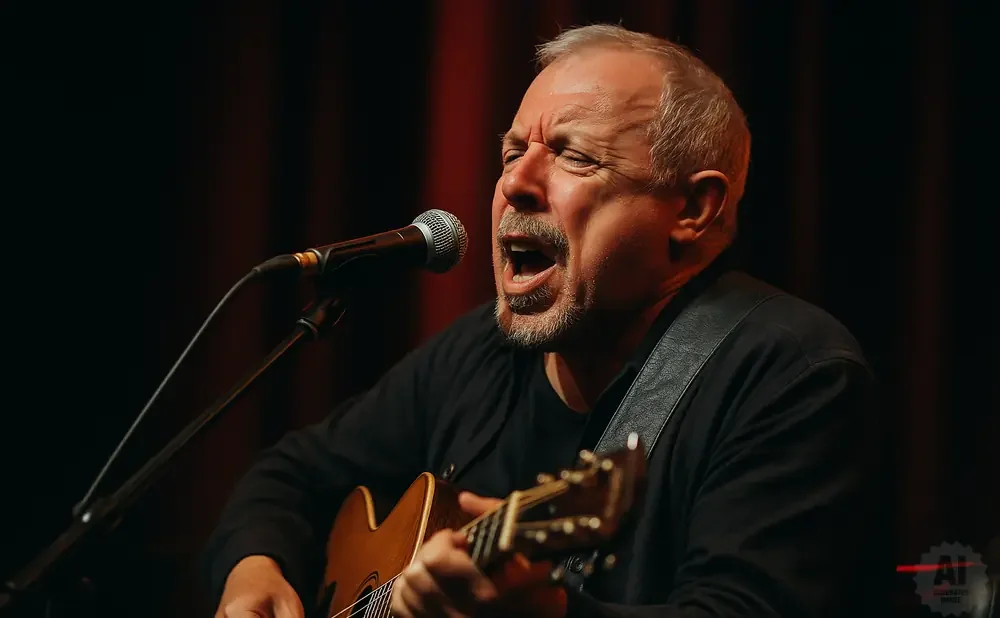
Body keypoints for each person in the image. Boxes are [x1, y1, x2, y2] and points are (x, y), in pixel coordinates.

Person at [203, 24, 888, 618]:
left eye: (574, 155)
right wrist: (253, 567)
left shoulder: (790, 373)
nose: (515, 184)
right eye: (511, 152)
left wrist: (553, 614)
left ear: (693, 211)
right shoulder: (478, 354)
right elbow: (290, 474)